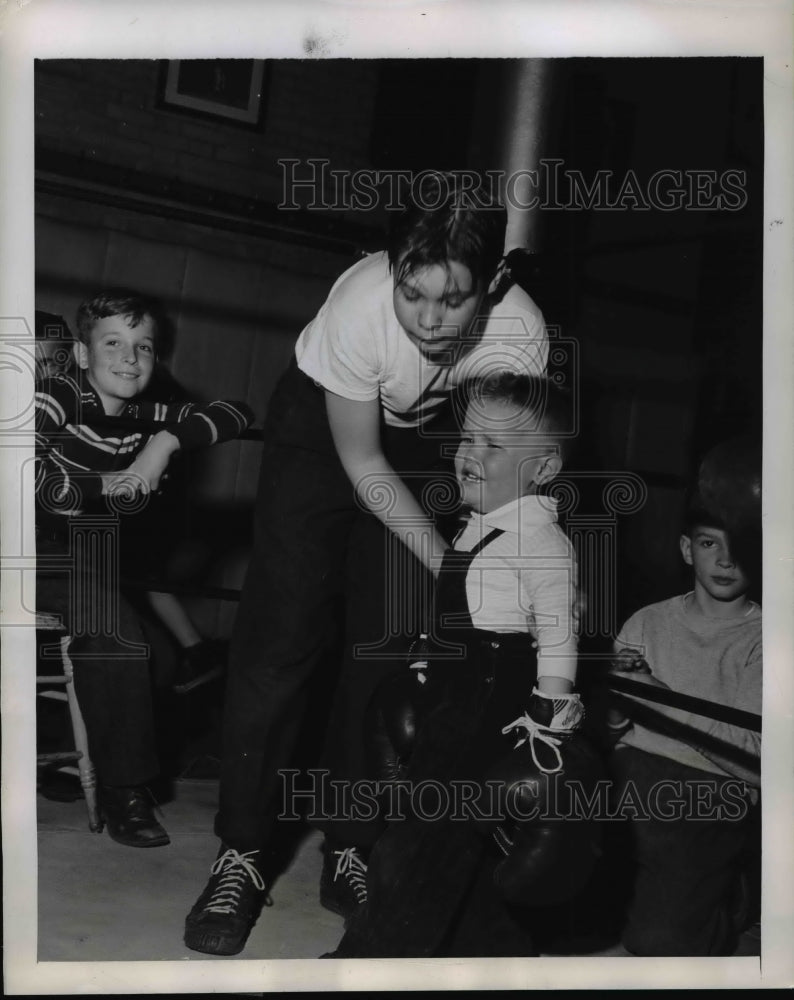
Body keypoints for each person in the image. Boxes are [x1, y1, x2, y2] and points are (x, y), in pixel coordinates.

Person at [184, 172, 549, 957]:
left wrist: (503, 558)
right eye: (412, 294)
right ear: (391, 268)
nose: (428, 321)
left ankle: (350, 841)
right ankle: (241, 850)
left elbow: (500, 468)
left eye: (452, 300)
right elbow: (362, 462)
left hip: (423, 438)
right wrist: (449, 564)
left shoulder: (520, 334)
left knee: (382, 647)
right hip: (325, 430)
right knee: (281, 640)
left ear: (494, 281)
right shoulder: (358, 308)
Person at [325, 371, 600, 958]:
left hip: (491, 697)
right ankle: (485, 953)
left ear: (544, 469)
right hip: (457, 686)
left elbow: (557, 634)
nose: (469, 453)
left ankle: (374, 960)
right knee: (455, 836)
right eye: (468, 438)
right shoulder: (481, 525)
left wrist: (548, 721)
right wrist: (427, 662)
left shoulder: (542, 542)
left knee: (421, 840)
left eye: (493, 445)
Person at [35, 289, 253, 847]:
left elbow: (238, 412)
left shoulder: (143, 411)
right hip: (18, 546)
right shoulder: (57, 395)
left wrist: (164, 445)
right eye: (112, 344)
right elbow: (15, 470)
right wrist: (105, 483)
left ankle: (84, 768)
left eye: (144, 347)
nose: (130, 359)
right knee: (113, 626)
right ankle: (121, 789)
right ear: (82, 354)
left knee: (147, 651)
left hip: (70, 554)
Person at [606, 486, 762, 956]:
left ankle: (728, 901)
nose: (726, 560)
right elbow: (611, 731)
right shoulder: (647, 621)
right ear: (686, 548)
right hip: (631, 770)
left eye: (741, 546)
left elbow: (759, 764)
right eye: (709, 543)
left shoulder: (766, 640)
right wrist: (614, 696)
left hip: (712, 786)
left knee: (660, 943)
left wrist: (654, 694)